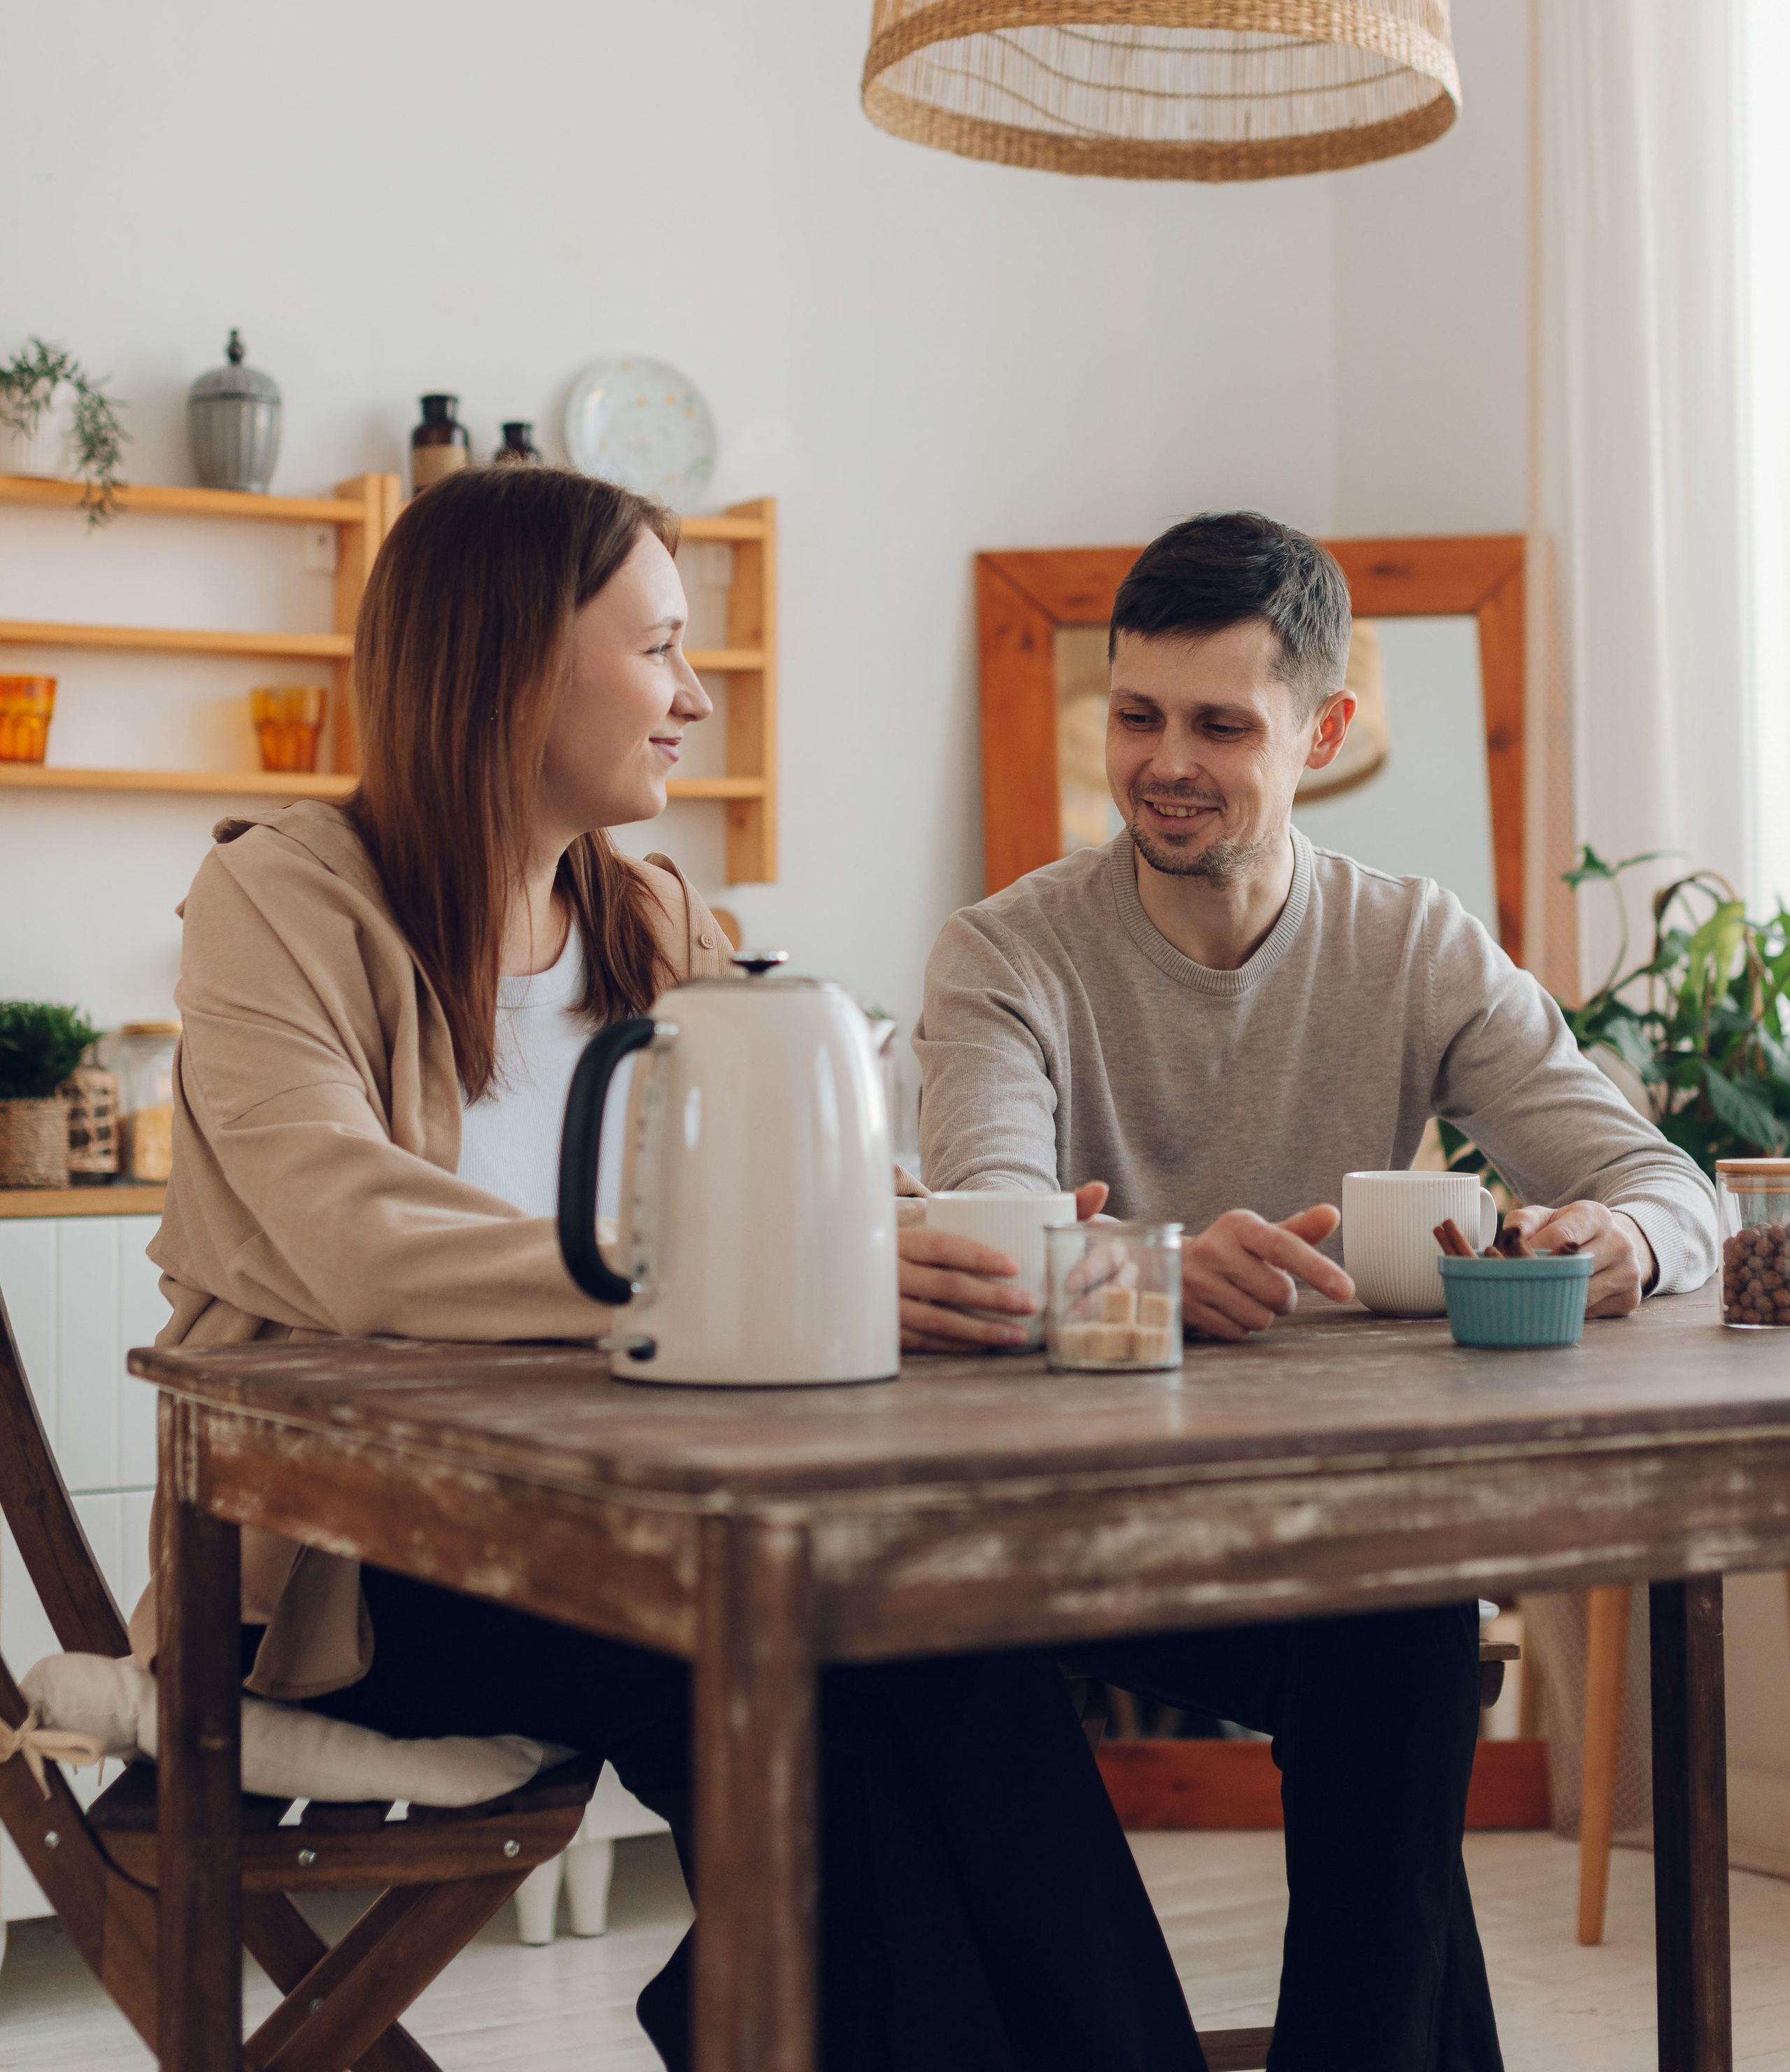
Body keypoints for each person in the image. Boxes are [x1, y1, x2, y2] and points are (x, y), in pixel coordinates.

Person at [134, 466, 1208, 2072]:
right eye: (658, 650)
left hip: (650, 1526)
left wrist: (981, 1245)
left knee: (945, 1647)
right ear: (512, 665)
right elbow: (350, 1234)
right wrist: (750, 1270)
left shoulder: (647, 916)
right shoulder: (282, 898)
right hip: (381, 1568)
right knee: (800, 1676)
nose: (693, 697)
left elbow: (827, 1186)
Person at [905, 509, 1719, 2072]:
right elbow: (987, 1240)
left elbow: (1656, 1180)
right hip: (1044, 1537)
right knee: (1387, 1650)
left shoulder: (1410, 942)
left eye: (1220, 724)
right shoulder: (1001, 956)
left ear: (1322, 731)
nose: (1164, 761)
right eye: (1135, 716)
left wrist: (1620, 1244)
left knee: (1402, 1624)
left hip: (1305, 1533)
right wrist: (1147, 1269)